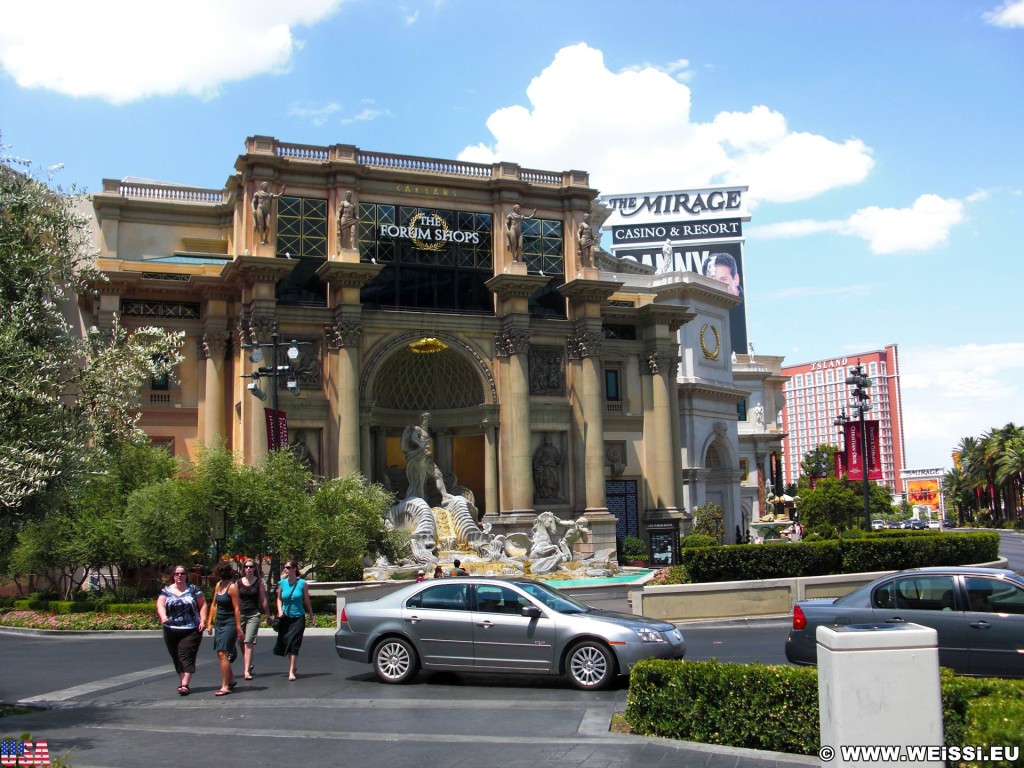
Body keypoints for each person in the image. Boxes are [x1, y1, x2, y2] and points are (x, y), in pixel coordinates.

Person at [156, 565, 207, 696]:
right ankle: (182, 681)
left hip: (191, 628)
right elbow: (160, 604)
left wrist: (203, 620)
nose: (180, 576)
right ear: (173, 576)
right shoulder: (166, 590)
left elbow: (203, 604)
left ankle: (185, 684)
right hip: (171, 629)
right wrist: (163, 616)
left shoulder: (193, 589)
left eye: (182, 573)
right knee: (177, 657)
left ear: (186, 575)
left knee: (186, 655)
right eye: (177, 574)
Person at [274, 560, 315, 681]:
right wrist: (280, 611)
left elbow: (306, 599)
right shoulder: (282, 583)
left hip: (298, 617)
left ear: (294, 569)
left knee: (294, 643)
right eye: (285, 567)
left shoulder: (302, 583)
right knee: (287, 641)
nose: (286, 569)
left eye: (288, 567)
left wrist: (312, 615)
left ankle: (291, 670)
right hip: (286, 617)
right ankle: (293, 666)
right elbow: (279, 599)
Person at [207, 562, 243, 696]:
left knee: (223, 653)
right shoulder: (219, 585)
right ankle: (231, 679)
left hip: (230, 623)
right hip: (219, 622)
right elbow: (213, 604)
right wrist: (209, 622)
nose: (220, 573)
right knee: (220, 653)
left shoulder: (232, 587)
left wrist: (238, 627)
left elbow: (237, 608)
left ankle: (225, 685)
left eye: (222, 571)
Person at [237, 559, 272, 681]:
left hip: (253, 614)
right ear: (243, 569)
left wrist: (267, 615)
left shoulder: (259, 582)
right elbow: (235, 601)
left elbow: (263, 599)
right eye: (246, 567)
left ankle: (246, 671)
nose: (248, 569)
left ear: (254, 569)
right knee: (241, 641)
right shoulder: (238, 583)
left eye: (251, 567)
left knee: (248, 641)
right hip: (240, 615)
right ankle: (249, 663)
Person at [401, 412, 433, 500]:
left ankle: (422, 497)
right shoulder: (417, 429)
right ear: (420, 420)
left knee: (424, 480)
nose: (425, 421)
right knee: (419, 478)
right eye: (424, 419)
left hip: (424, 457)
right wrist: (421, 445)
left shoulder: (426, 431)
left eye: (427, 419)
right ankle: (418, 498)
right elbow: (413, 438)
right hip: (417, 456)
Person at [532, 435, 563, 501]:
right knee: (546, 482)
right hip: (545, 468)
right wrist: (537, 466)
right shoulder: (542, 449)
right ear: (545, 441)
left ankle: (553, 495)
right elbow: (537, 458)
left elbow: (557, 460)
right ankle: (546, 495)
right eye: (546, 440)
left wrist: (561, 458)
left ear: (551, 441)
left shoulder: (554, 449)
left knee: (555, 482)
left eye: (549, 440)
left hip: (553, 468)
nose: (548, 441)